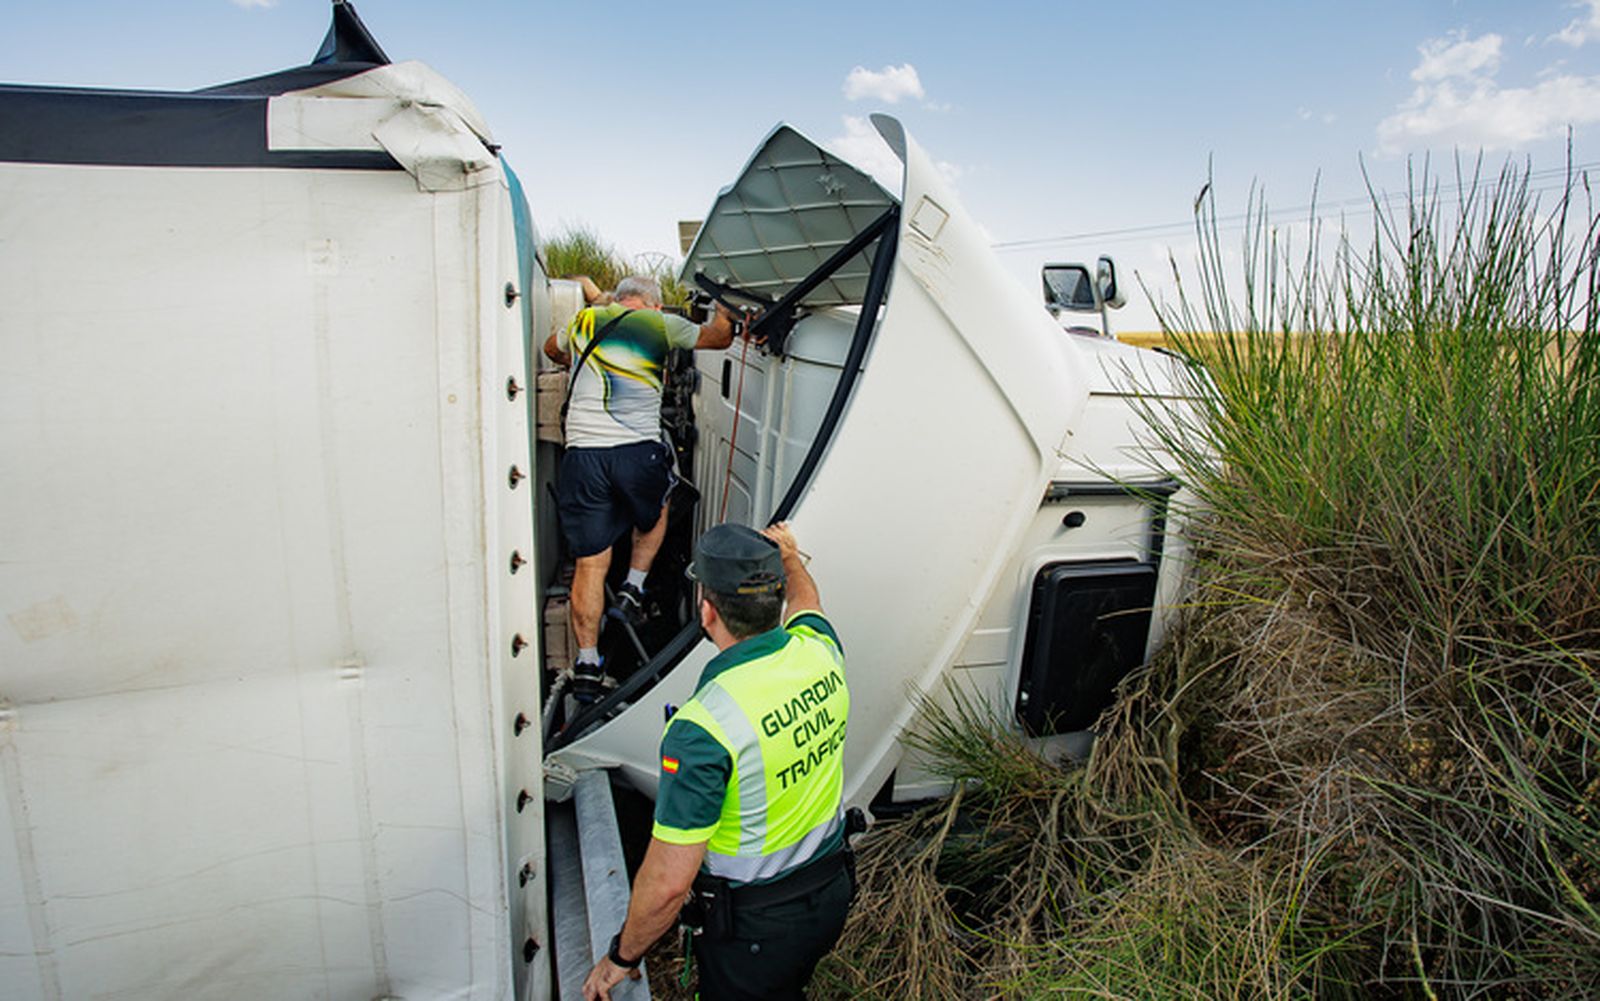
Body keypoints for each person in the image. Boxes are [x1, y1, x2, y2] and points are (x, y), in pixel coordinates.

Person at [582, 522, 852, 1001]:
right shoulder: (820, 651)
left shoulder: (704, 727)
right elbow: (808, 600)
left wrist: (621, 956)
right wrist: (789, 555)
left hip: (755, 932)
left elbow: (667, 883)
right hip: (829, 893)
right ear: (775, 602)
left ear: (707, 611)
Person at [543, 276, 736, 695]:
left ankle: (588, 664)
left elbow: (550, 349)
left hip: (583, 455)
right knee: (660, 503)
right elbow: (719, 339)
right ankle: (632, 588)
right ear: (653, 302)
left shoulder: (586, 321)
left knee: (590, 565)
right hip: (636, 452)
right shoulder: (661, 324)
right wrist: (725, 309)